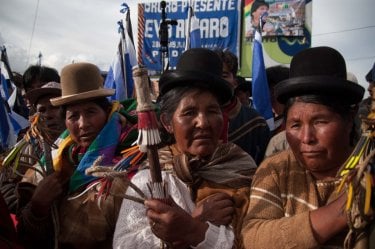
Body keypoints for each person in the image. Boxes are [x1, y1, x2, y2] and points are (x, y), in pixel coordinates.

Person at [113, 48, 257, 248]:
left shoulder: (243, 168)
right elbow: (123, 244)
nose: (203, 122)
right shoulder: (150, 177)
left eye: (212, 111)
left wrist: (196, 230)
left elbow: (258, 239)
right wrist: (195, 220)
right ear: (167, 122)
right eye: (189, 112)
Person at [241, 46, 365, 248]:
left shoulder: (367, 172)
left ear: (350, 117)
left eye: (320, 122)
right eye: (295, 125)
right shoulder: (276, 170)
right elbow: (254, 238)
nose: (306, 138)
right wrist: (344, 208)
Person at [16, 62, 140, 249]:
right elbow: (26, 234)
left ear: (107, 113)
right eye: (73, 116)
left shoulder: (133, 154)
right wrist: (38, 206)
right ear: (65, 121)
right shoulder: (56, 158)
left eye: (91, 112)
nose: (83, 124)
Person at [0, 82, 65, 214]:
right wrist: (33, 198)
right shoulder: (29, 146)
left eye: (55, 107)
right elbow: (6, 187)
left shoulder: (86, 143)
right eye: (42, 110)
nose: (48, 115)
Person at [215, 49, 270, 165]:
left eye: (224, 75)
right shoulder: (197, 120)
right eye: (214, 75)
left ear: (235, 82)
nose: (218, 81)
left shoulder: (255, 122)